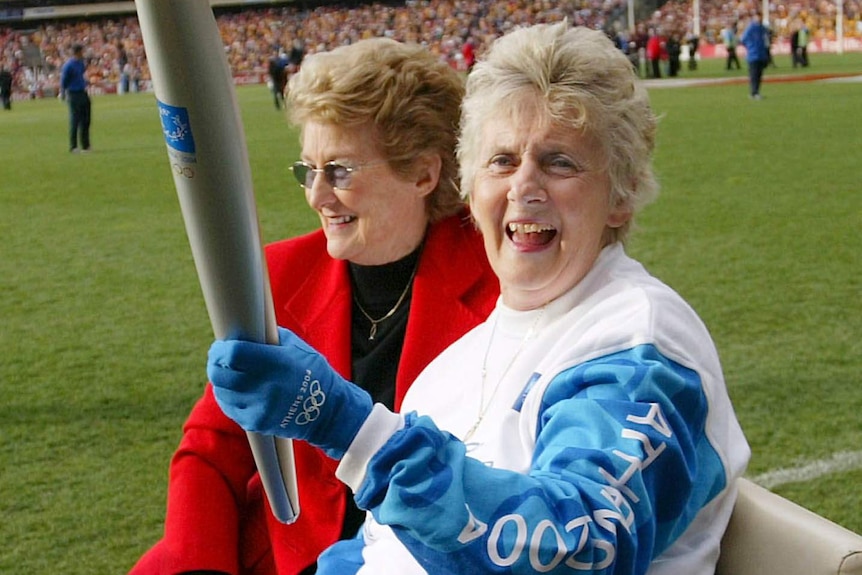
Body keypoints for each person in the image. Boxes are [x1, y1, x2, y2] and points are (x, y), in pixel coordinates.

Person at [208, 22, 750, 575]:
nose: (524, 187)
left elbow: (576, 552)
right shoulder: (458, 363)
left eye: (559, 161)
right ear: (469, 186)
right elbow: (380, 550)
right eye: (502, 161)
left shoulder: (640, 341)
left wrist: (347, 425)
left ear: (621, 196)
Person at [128, 37, 499, 575]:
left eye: (340, 171)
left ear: (424, 173)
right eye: (308, 170)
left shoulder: (500, 286)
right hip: (287, 560)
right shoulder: (277, 276)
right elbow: (212, 448)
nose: (316, 195)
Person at [59, 44, 91, 152]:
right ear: (78, 52)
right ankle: (73, 146)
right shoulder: (68, 65)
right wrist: (63, 92)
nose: (83, 53)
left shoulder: (81, 63)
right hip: (73, 93)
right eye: (82, 51)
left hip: (82, 92)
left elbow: (80, 76)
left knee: (86, 119)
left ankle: (85, 145)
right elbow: (64, 81)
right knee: (75, 120)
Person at [740, 13, 770, 100]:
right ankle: (754, 92)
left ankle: (756, 92)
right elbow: (743, 39)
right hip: (753, 55)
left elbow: (766, 39)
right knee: (754, 75)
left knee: (759, 75)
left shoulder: (762, 28)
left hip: (761, 55)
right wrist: (751, 47)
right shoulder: (751, 28)